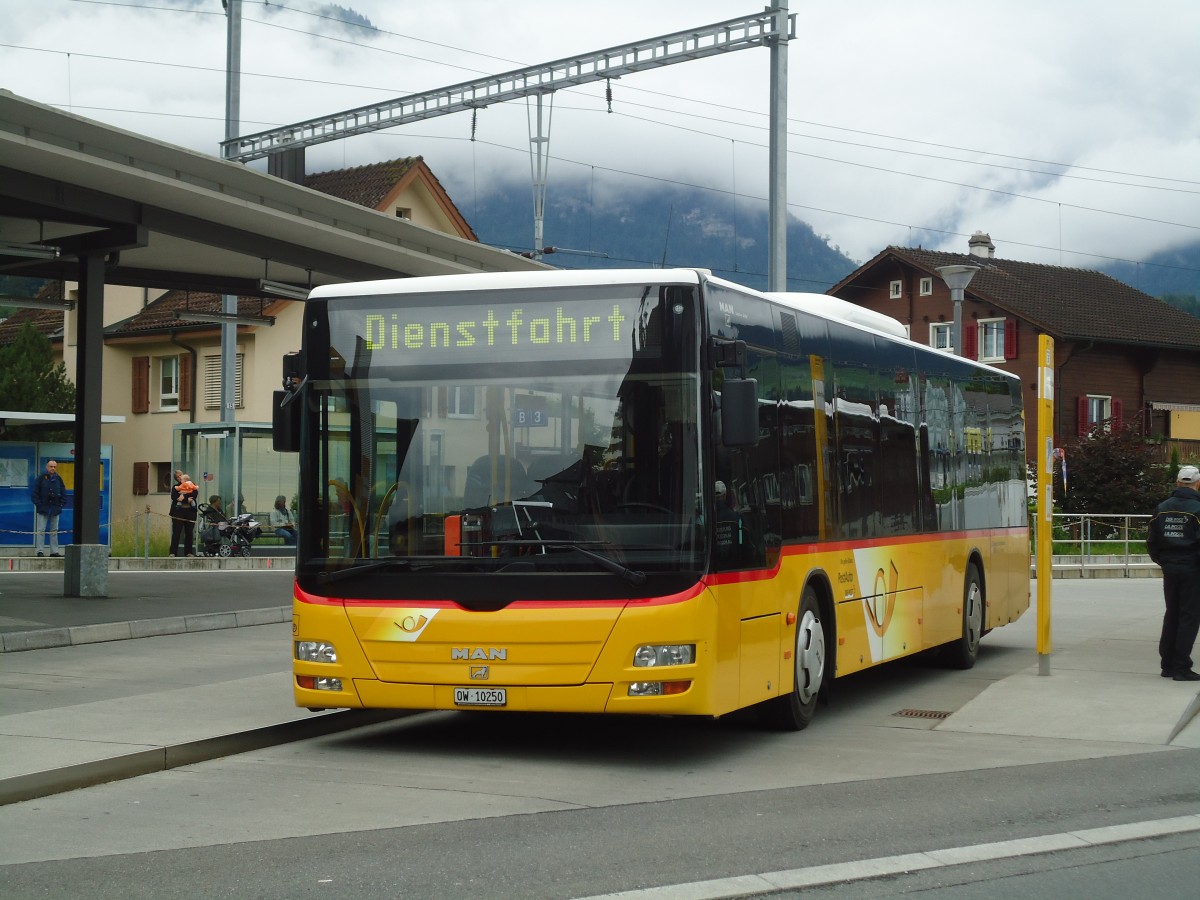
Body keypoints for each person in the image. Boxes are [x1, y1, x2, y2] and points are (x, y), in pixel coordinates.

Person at [1147, 465, 1200, 682]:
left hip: (1170, 568)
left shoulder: (1162, 508)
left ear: (1178, 483)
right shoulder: (1198, 509)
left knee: (1172, 614)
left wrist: (1165, 562)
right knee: (1189, 616)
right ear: (1197, 484)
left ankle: (1167, 664)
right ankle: (1181, 666)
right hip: (1193, 569)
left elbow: (1152, 541)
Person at [31, 459, 67, 557]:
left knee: (54, 531)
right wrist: (38, 504)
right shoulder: (41, 478)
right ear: (47, 467)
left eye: (54, 467)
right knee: (41, 530)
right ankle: (40, 551)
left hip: (55, 509)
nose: (53, 468)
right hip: (43, 508)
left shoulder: (58, 479)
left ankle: (54, 551)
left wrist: (61, 504)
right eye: (51, 466)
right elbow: (34, 493)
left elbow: (63, 492)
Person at [169, 470, 199, 557]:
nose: (180, 477)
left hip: (190, 512)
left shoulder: (191, 484)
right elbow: (174, 497)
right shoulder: (176, 487)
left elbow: (194, 494)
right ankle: (173, 552)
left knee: (189, 532)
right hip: (178, 512)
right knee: (176, 532)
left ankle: (188, 552)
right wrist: (186, 499)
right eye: (178, 477)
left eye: (180, 475)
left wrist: (183, 497)